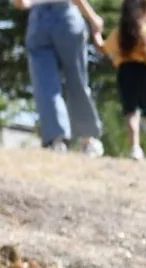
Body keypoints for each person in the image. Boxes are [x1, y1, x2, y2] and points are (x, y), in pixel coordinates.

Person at [14, 0, 106, 155]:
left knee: (46, 85)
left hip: (38, 20)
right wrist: (93, 18)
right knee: (77, 80)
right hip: (65, 16)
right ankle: (87, 139)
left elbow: (20, 3)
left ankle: (57, 140)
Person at [102, 0, 146, 161]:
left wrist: (96, 33)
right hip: (145, 73)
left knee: (131, 111)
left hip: (125, 72)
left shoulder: (119, 33)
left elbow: (104, 48)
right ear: (144, 12)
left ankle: (135, 148)